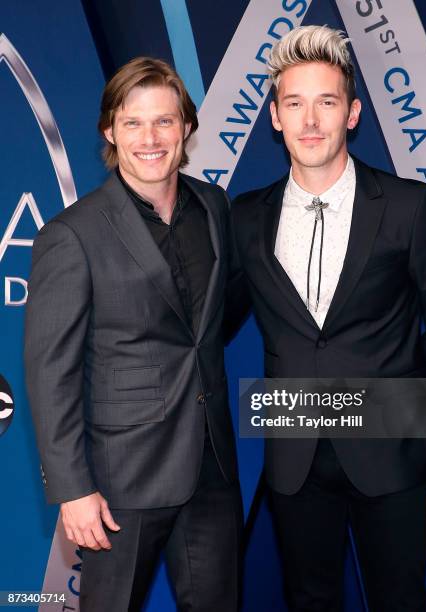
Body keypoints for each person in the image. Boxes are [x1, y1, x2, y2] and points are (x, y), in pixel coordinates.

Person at [231, 25, 426, 611]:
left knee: (399, 600)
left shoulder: (406, 205)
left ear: (353, 113)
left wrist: (391, 386)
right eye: (294, 103)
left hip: (390, 451)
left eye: (326, 102)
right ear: (275, 117)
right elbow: (217, 321)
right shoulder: (244, 219)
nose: (310, 120)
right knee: (308, 600)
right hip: (294, 457)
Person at [24, 57, 242, 612]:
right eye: (133, 123)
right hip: (121, 480)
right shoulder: (72, 236)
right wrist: (74, 489)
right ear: (109, 132)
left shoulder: (213, 207)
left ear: (186, 128)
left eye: (164, 122)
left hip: (212, 468)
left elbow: (212, 324)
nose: (150, 138)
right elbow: (52, 373)